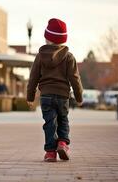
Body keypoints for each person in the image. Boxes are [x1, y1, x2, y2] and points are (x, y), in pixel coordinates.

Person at [26, 18, 83, 162]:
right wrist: (79, 97)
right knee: (63, 120)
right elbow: (75, 79)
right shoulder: (69, 57)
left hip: (46, 96)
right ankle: (63, 143)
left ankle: (50, 152)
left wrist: (30, 96)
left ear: (47, 37)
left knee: (49, 123)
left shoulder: (40, 56)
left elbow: (33, 78)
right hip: (63, 96)